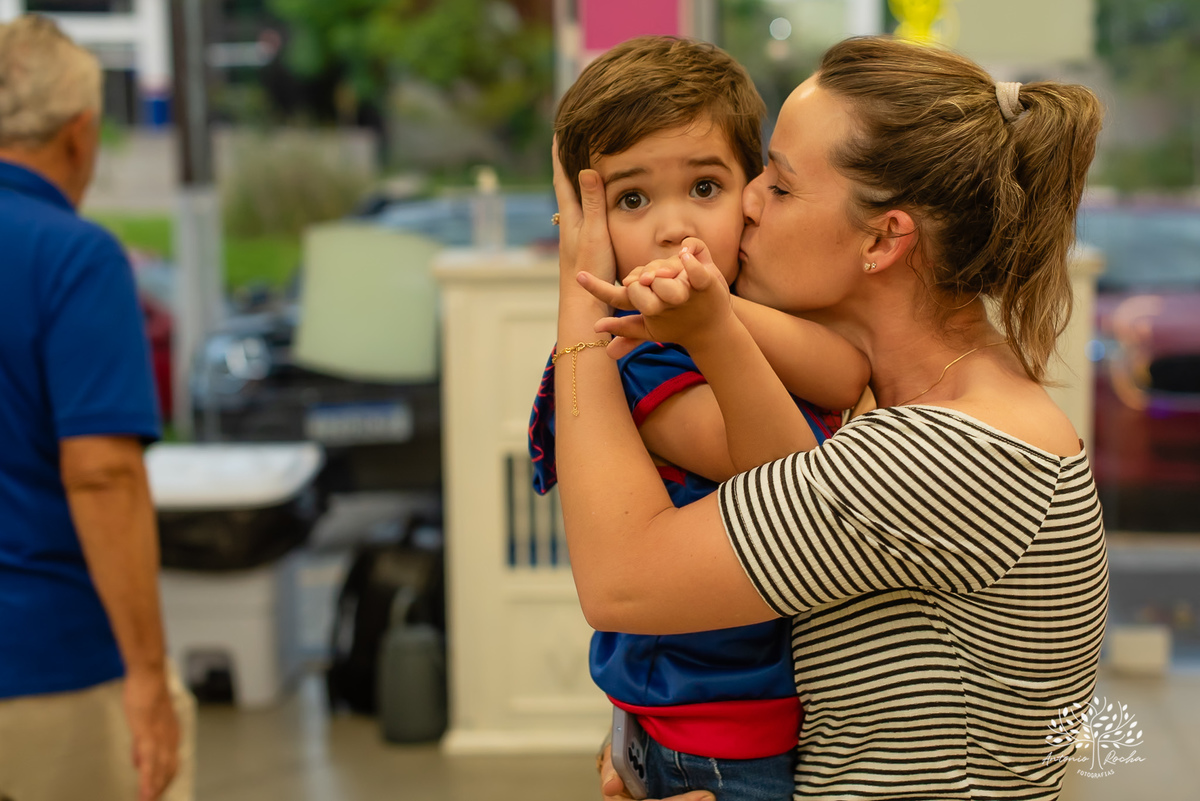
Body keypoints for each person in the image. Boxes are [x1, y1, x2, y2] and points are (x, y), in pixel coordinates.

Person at [553, 35, 1108, 800]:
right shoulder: (920, 406)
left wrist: (579, 292)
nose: (747, 201)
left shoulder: (944, 456)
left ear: (883, 238)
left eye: (779, 186)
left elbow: (621, 583)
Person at [529, 36, 868, 801]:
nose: (673, 227)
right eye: (632, 200)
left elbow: (846, 369)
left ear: (753, 191)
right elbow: (785, 480)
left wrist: (723, 315)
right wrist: (711, 325)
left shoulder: (744, 311)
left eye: (705, 186)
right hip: (708, 731)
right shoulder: (637, 360)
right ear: (588, 227)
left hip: (764, 710)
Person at [0, 15, 192, 801]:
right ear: (80, 134)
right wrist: (146, 674)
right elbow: (102, 474)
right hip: (46, 661)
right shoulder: (73, 256)